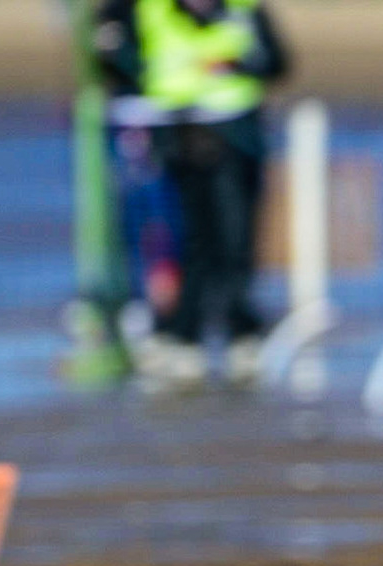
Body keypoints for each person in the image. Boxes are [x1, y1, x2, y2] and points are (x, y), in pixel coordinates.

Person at [94, 0, 289, 389]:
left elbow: (276, 62)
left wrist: (235, 65)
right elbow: (120, 60)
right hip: (178, 137)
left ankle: (241, 335)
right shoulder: (147, 10)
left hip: (237, 136)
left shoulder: (243, 9)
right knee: (189, 242)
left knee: (235, 241)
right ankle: (184, 337)